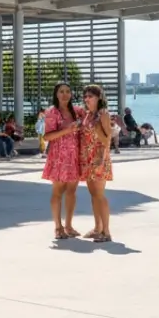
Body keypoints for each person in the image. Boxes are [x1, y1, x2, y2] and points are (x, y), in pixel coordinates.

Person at [42, 83, 83, 240]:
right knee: (58, 192)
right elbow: (47, 136)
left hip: (74, 157)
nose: (65, 94)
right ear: (56, 94)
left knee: (72, 192)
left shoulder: (77, 111)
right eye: (61, 92)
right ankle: (58, 227)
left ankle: (69, 225)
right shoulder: (52, 112)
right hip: (58, 156)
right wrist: (68, 130)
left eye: (67, 91)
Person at [80, 83, 114, 242]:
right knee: (93, 194)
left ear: (98, 97)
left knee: (99, 195)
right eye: (85, 96)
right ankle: (97, 228)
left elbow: (108, 140)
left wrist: (100, 159)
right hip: (87, 157)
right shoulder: (87, 114)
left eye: (90, 96)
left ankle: (106, 231)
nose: (87, 99)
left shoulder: (103, 114)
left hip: (99, 157)